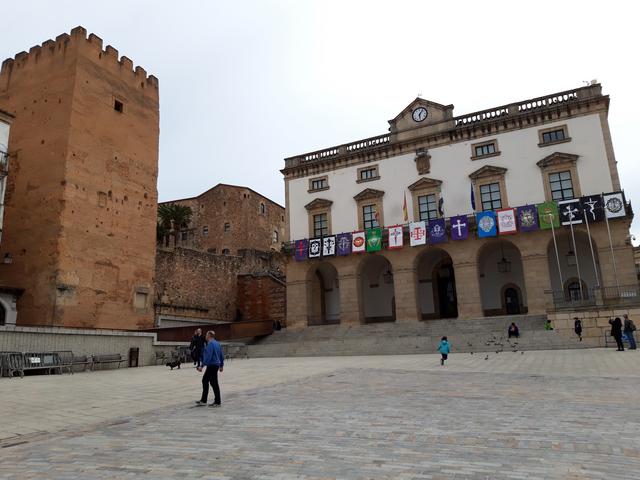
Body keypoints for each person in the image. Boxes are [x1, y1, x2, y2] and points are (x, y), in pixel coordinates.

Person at [196, 330, 224, 407]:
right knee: (210, 382)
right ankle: (206, 400)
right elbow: (221, 355)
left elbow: (208, 356)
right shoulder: (217, 343)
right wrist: (221, 365)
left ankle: (216, 401)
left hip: (212, 365)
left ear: (209, 336)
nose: (205, 336)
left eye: (206, 335)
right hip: (216, 365)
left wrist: (202, 366)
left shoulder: (210, 344)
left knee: (209, 382)